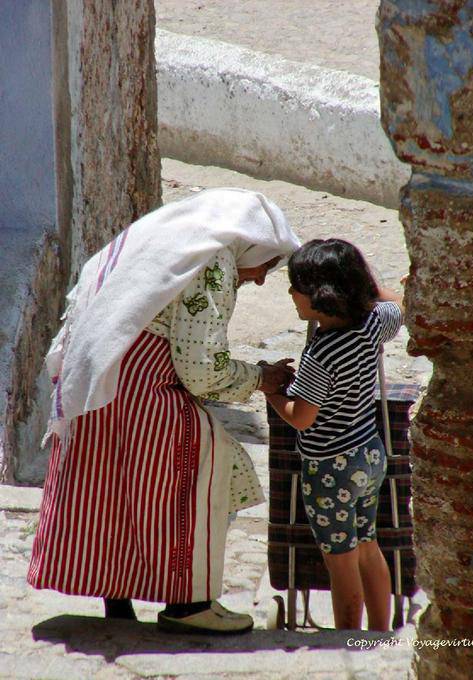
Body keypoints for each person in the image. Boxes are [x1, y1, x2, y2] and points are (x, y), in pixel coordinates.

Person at [28, 188, 299, 634]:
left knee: (112, 487)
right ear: (249, 245)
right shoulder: (213, 263)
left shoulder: (162, 238)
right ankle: (188, 604)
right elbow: (201, 368)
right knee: (205, 460)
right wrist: (260, 378)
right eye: (266, 264)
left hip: (95, 382)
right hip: (134, 387)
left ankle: (118, 602)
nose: (262, 278)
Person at [265, 238, 403, 631]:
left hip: (330, 469)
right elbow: (399, 304)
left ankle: (350, 643)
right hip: (369, 454)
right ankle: (381, 634)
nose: (291, 292)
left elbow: (302, 417)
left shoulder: (320, 353)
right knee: (368, 547)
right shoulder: (374, 325)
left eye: (297, 286)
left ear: (321, 296)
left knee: (341, 565)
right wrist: (365, 285)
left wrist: (272, 391)